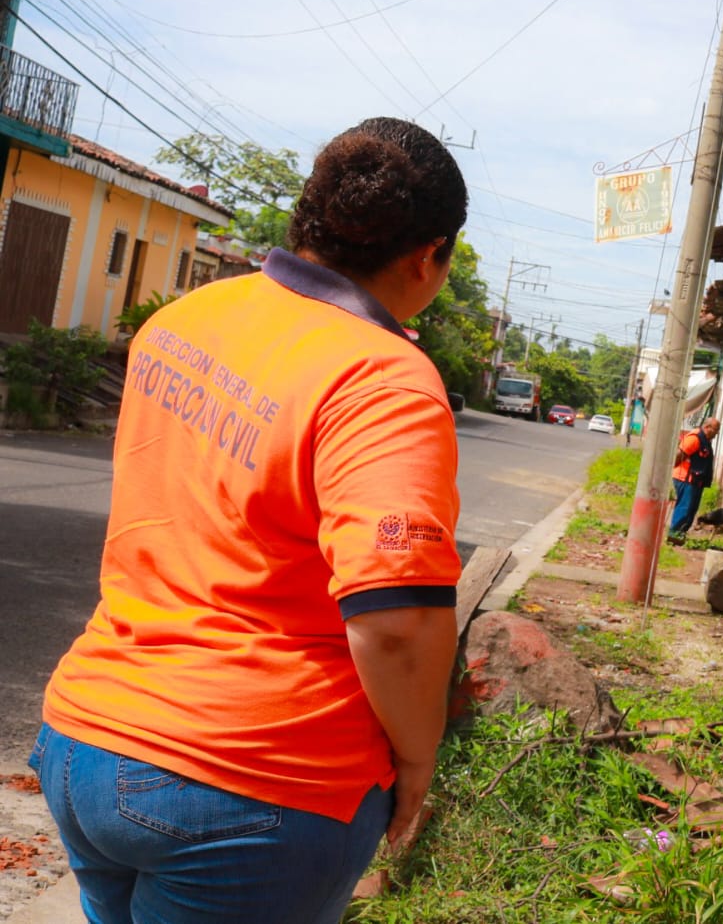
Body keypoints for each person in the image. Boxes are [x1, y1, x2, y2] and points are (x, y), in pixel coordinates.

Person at [30, 117, 469, 924]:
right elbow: (398, 624)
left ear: (309, 215)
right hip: (252, 782)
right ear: (427, 256)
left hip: (86, 735)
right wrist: (416, 756)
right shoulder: (385, 381)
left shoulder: (185, 320)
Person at [669, 416, 720, 537]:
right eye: (715, 430)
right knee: (684, 507)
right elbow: (679, 455)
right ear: (707, 427)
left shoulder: (705, 440)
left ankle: (681, 533)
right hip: (685, 479)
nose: (716, 433)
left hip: (696, 481)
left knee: (691, 509)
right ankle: (674, 534)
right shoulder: (695, 438)